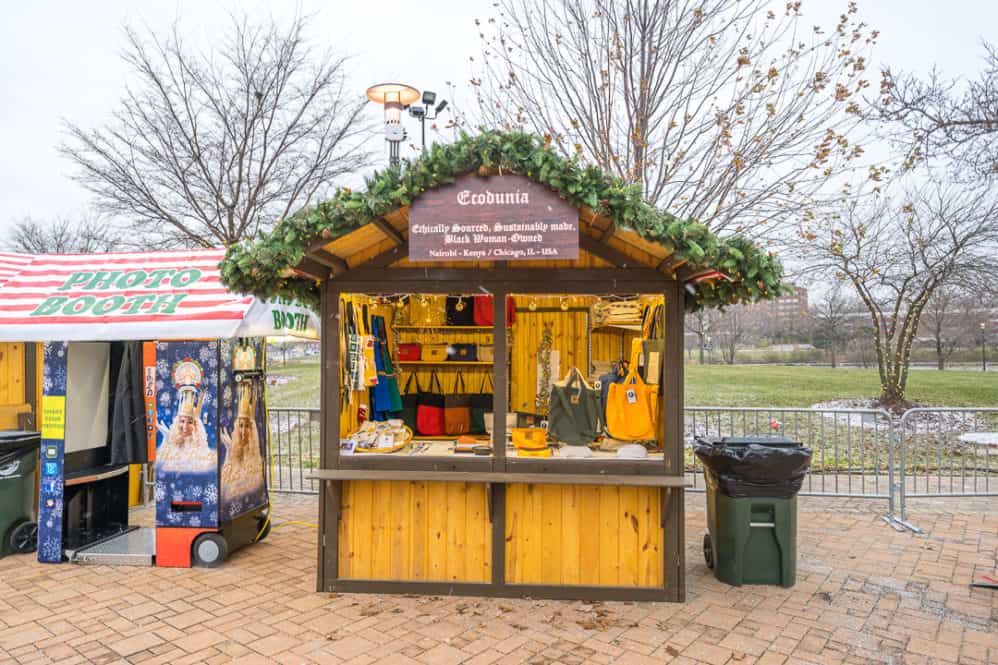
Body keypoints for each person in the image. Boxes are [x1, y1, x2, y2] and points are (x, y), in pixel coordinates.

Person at [220, 382, 266, 509]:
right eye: (241, 425)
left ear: (252, 430)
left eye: (247, 426)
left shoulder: (256, 461)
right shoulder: (234, 452)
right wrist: (229, 451)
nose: (243, 431)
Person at [156, 388, 217, 473]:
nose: (185, 426)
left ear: (197, 426)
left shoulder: (204, 455)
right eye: (182, 421)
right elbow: (161, 463)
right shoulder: (170, 449)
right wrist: (166, 440)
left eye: (190, 422)